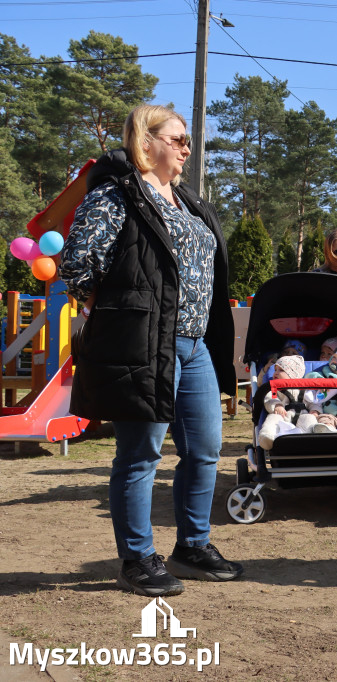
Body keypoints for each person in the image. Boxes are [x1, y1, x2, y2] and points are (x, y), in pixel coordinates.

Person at [59, 104, 242, 597]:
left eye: (187, 140)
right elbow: (78, 265)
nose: (187, 147)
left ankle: (193, 547)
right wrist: (123, 314)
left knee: (204, 451)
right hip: (143, 344)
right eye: (177, 138)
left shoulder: (187, 201)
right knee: (140, 455)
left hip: (196, 345)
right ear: (146, 140)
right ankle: (137, 559)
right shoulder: (116, 195)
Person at [258, 354, 318, 447]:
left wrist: (315, 410)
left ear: (294, 374)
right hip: (283, 415)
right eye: (275, 370)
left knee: (309, 419)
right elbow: (270, 398)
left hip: (302, 415)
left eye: (281, 370)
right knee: (273, 418)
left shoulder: (305, 388)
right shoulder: (274, 388)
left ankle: (310, 438)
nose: (276, 373)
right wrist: (277, 405)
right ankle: (267, 437)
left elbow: (313, 401)